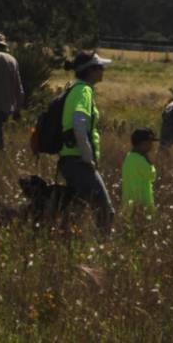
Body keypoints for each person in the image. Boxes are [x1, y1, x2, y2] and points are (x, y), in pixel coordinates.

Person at [59, 50, 115, 231]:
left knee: (76, 210)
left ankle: (62, 241)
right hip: (78, 160)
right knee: (105, 211)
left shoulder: (75, 89)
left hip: (70, 159)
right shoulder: (83, 91)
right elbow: (79, 123)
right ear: (90, 70)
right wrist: (87, 157)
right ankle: (103, 248)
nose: (103, 71)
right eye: (100, 68)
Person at [121, 128, 158, 211]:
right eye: (150, 142)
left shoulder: (129, 157)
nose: (152, 145)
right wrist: (149, 161)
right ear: (144, 143)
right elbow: (152, 176)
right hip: (142, 203)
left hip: (129, 202)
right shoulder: (140, 160)